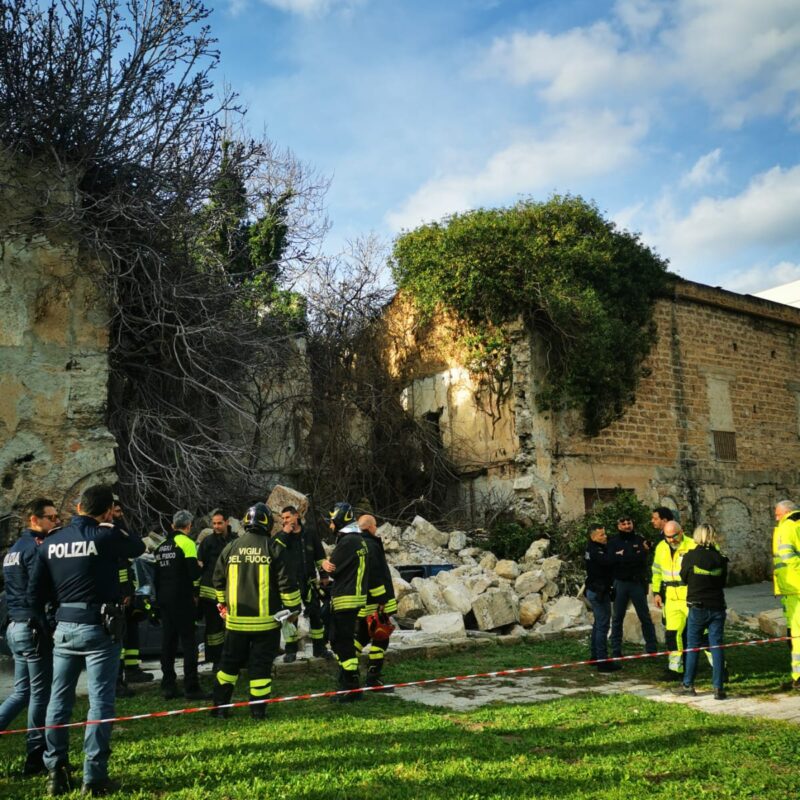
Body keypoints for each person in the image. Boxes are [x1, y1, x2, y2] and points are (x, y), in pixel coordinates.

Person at [28, 484, 144, 796]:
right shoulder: (105, 536)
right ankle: (93, 778)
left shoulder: (52, 542)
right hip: (99, 629)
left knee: (58, 700)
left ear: (78, 508)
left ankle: (56, 770)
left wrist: (50, 624)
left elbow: (34, 593)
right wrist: (115, 522)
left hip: (64, 627)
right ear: (106, 511)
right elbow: (137, 546)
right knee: (100, 702)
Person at [211, 503, 300, 720]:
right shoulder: (273, 547)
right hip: (266, 624)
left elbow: (217, 580)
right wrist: (293, 610)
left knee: (228, 664)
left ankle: (220, 707)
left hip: (235, 624)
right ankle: (258, 711)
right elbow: (287, 584)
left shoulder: (230, 547)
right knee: (260, 667)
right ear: (267, 523)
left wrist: (222, 605)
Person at [0, 498, 60, 775]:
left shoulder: (13, 550)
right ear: (34, 520)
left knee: (22, 691)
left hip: (15, 626)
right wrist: (47, 623)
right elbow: (39, 591)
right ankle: (35, 753)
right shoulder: (35, 550)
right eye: (50, 518)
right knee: (40, 693)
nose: (56, 522)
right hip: (31, 627)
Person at [153, 510, 207, 700]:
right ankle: (192, 687)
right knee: (189, 642)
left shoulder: (160, 547)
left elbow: (156, 577)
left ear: (172, 525)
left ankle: (168, 685)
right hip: (182, 599)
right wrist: (199, 568)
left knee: (168, 642)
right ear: (189, 526)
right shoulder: (187, 543)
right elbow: (193, 574)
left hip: (164, 599)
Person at [322, 502, 369, 702]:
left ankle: (350, 686)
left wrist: (323, 563)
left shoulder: (348, 541)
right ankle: (348, 681)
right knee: (341, 640)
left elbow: (331, 568)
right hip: (354, 597)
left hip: (345, 599)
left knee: (343, 643)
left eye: (332, 522)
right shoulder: (358, 540)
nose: (330, 526)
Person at [676, 524, 729, 699]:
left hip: (697, 606)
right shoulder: (720, 558)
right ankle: (718, 688)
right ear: (713, 536)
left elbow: (683, 578)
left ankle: (688, 685)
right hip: (717, 607)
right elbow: (722, 582)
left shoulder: (690, 557)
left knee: (693, 646)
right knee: (716, 646)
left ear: (697, 537)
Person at [279, 505, 332, 662]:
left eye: (287, 517)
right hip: (290, 584)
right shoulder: (282, 536)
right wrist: (284, 534)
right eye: (283, 519)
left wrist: (323, 575)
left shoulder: (310, 534)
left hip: (309, 582)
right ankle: (290, 651)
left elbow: (320, 556)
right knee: (290, 618)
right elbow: (275, 554)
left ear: (296, 516)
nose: (285, 521)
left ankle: (319, 648)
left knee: (316, 615)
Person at [112, 497, 153, 694]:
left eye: (121, 511)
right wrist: (124, 592)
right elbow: (119, 567)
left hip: (128, 591)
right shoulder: (109, 535)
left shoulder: (121, 532)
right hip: (118, 595)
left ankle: (132, 669)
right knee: (118, 635)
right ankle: (117, 678)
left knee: (131, 629)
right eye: (116, 512)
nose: (120, 515)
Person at [355, 514, 397, 690]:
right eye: (375, 525)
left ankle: (347, 670)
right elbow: (375, 575)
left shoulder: (357, 544)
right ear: (371, 527)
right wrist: (382, 600)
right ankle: (373, 677)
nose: (376, 528)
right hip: (375, 602)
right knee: (381, 638)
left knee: (362, 636)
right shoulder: (371, 545)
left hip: (362, 600)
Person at [651, 520, 697, 679]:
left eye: (674, 536)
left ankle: (719, 668)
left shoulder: (693, 544)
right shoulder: (661, 547)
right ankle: (675, 669)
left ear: (682, 531)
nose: (671, 540)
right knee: (672, 634)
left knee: (702, 634)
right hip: (670, 596)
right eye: (667, 537)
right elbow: (656, 571)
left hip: (690, 594)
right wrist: (656, 592)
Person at [608, 516, 658, 660]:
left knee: (645, 616)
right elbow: (614, 561)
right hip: (620, 583)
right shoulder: (613, 542)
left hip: (637, 583)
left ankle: (652, 648)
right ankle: (616, 649)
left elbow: (642, 560)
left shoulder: (640, 540)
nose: (626, 526)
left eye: (629, 523)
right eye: (623, 523)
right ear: (618, 526)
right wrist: (635, 555)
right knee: (617, 617)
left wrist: (628, 556)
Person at [197, 509, 233, 671]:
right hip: (210, 593)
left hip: (231, 591)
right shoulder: (208, 542)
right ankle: (216, 660)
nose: (216, 526)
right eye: (214, 523)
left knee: (233, 627)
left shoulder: (235, 540)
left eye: (219, 523)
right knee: (214, 628)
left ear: (227, 522)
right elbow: (200, 564)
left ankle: (234, 657)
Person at [583, 523, 620, 673]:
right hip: (598, 592)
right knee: (603, 625)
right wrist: (617, 554)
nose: (605, 537)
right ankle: (602, 661)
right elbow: (608, 561)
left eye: (605, 534)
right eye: (601, 535)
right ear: (593, 537)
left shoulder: (593, 548)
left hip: (595, 590)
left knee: (598, 624)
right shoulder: (595, 550)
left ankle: (595, 656)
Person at [772, 499, 800, 691]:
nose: (776, 517)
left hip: (794, 588)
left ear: (786, 512)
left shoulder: (787, 526)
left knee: (796, 636)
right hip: (790, 590)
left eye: (777, 514)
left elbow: (788, 557)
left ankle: (798, 678)